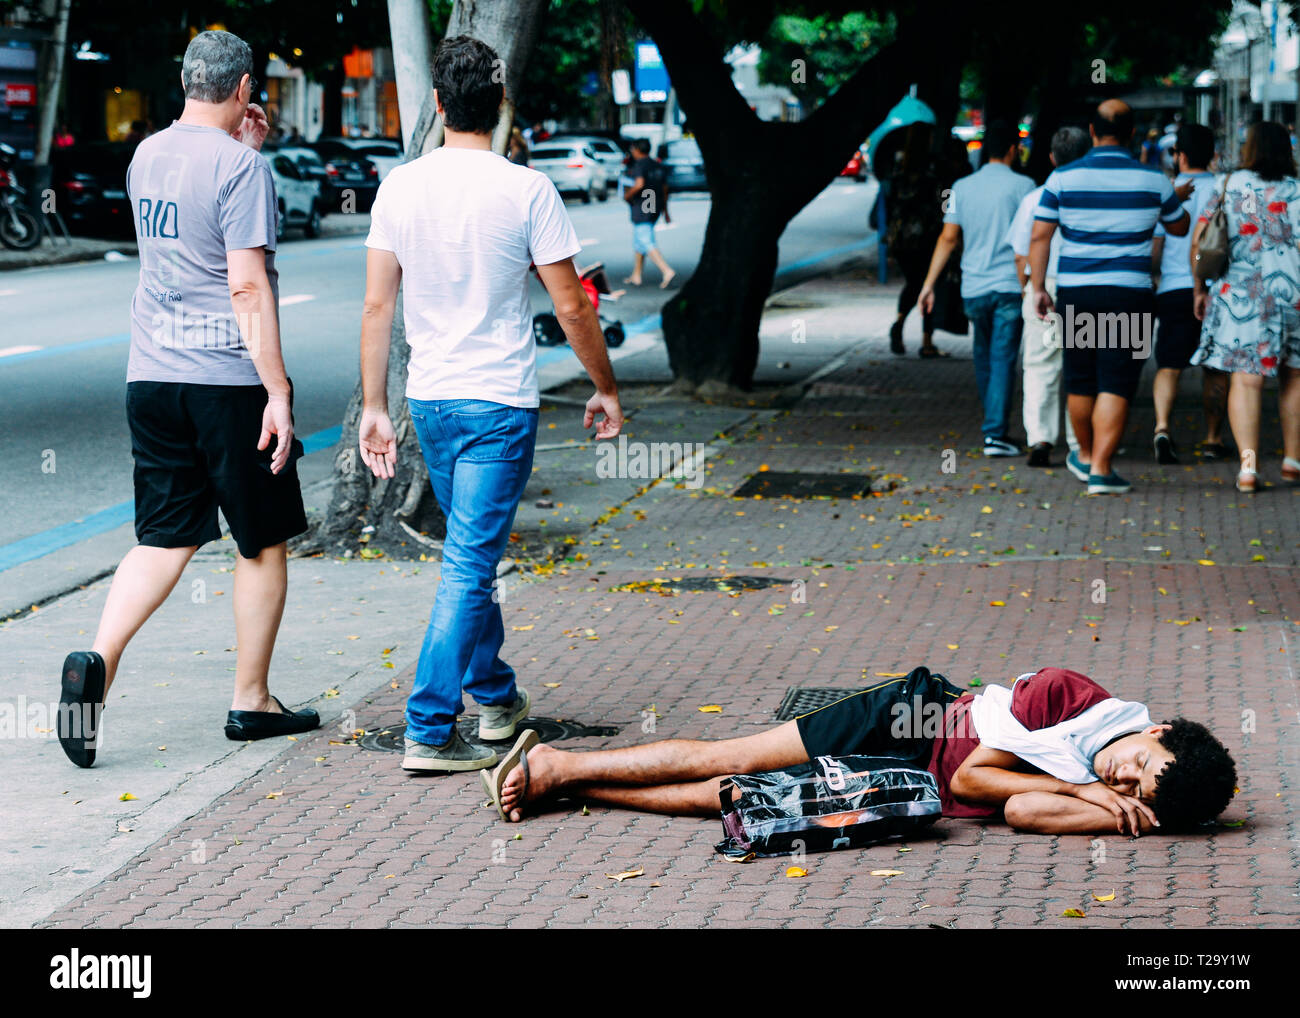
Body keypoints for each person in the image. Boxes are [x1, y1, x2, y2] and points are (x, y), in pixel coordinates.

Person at [355, 35, 624, 773]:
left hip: (432, 403)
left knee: (468, 557)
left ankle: (496, 696)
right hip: (499, 404)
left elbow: (378, 307)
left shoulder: (400, 187)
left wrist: (375, 405)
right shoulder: (526, 190)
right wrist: (604, 386)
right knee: (470, 564)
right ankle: (428, 729)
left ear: (438, 103)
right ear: (501, 103)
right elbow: (572, 305)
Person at [55, 30, 315, 769]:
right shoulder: (240, 169)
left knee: (164, 536)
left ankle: (97, 662)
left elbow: (189, 231)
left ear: (185, 82)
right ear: (244, 88)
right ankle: (251, 700)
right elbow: (244, 285)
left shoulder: (146, 155)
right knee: (261, 539)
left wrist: (244, 150)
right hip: (225, 381)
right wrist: (277, 390)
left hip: (152, 375)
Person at [482, 665, 1237, 838]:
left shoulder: (1115, 796)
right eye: (1141, 767)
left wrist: (1111, 812)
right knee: (738, 759)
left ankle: (570, 784)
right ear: (1158, 731)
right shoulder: (1071, 696)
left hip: (911, 792)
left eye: (1136, 791)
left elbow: (1023, 812)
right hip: (908, 719)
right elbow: (978, 776)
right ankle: (563, 763)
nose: (1122, 777)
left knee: (745, 803)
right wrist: (1085, 789)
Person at [1031, 99, 1191, 495]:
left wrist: (1038, 287)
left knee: (1081, 379)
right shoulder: (1154, 180)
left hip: (1077, 293)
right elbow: (1179, 228)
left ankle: (1086, 457)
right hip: (1129, 295)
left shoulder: (1062, 178)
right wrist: (1175, 201)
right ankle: (1102, 469)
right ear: (1132, 133)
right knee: (1116, 382)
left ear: (1092, 131)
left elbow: (1040, 236)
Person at [1191, 121, 1300, 493]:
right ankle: (1292, 460)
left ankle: (1249, 468)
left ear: (1249, 147)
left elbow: (1202, 240)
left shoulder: (1229, 185)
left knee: (1247, 380)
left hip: (1243, 296)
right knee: (1295, 377)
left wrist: (1199, 289)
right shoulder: (1297, 189)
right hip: (1293, 293)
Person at [919, 120, 1034, 457]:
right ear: (1012, 150)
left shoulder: (961, 186)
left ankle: (994, 428)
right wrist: (1032, 284)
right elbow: (1031, 239)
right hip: (1010, 286)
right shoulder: (1025, 186)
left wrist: (928, 285)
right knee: (1003, 359)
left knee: (983, 358)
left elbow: (948, 238)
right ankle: (995, 434)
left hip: (974, 288)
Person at [1006, 125, 1090, 467]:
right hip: (1085, 285)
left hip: (1044, 285)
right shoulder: (1095, 198)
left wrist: (1027, 288)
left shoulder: (1034, 198)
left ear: (1052, 158)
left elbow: (1020, 254)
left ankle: (1040, 438)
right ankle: (1080, 441)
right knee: (1081, 366)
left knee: (1041, 366)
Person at [1150, 123, 1226, 465]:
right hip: (1216, 291)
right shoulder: (1224, 190)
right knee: (1215, 368)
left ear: (1179, 155)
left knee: (1168, 365)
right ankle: (1212, 439)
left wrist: (1156, 277)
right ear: (1212, 155)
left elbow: (1156, 248)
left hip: (1173, 288)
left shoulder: (1168, 192)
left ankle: (1162, 427)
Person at [885, 123, 947, 358]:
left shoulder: (898, 164)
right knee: (928, 284)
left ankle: (900, 323)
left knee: (913, 283)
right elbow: (942, 198)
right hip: (925, 236)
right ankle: (926, 341)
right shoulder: (933, 165)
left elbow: (890, 200)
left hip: (900, 237)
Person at [621, 138, 676, 289]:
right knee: (639, 240)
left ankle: (666, 271)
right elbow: (665, 189)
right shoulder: (657, 165)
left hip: (643, 204)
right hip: (654, 204)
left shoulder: (639, 165)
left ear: (637, 150)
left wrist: (627, 195)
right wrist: (665, 211)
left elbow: (639, 184)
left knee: (645, 239)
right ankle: (636, 275)